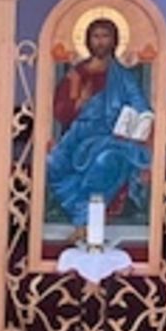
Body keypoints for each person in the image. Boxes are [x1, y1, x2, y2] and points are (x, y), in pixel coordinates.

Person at [47, 16, 154, 226]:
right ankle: (76, 215)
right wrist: (80, 101)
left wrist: (141, 120)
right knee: (52, 164)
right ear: (88, 41)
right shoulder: (76, 74)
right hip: (78, 135)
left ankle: (85, 220)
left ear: (114, 41)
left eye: (105, 36)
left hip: (112, 137)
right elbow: (60, 111)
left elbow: (140, 105)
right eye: (95, 36)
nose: (100, 41)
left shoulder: (123, 76)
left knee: (104, 161)